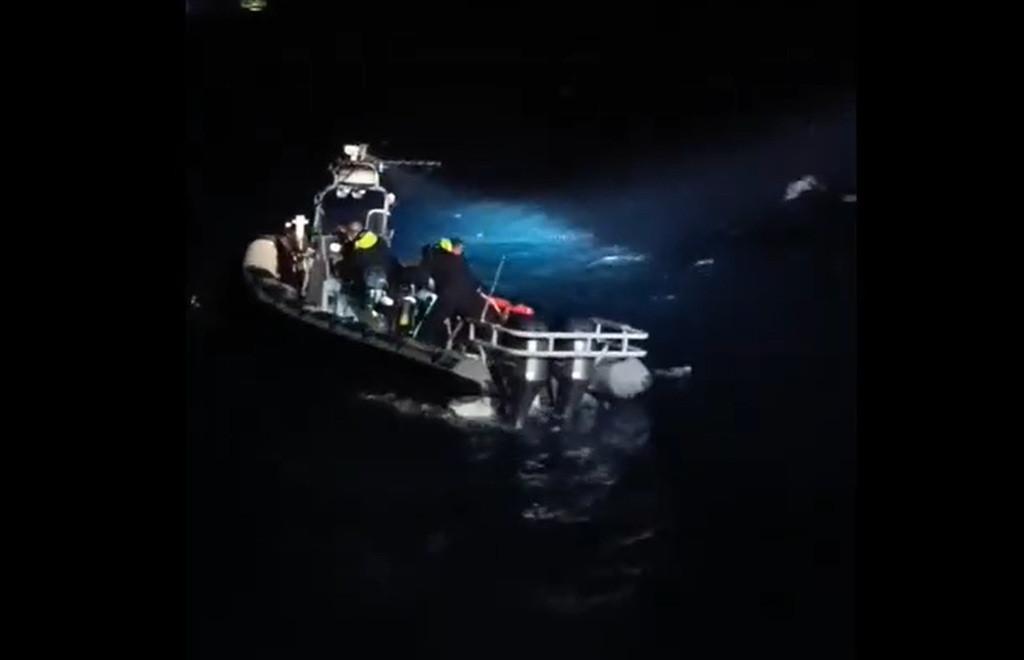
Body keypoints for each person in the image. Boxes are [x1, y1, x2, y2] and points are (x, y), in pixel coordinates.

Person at [416, 237, 488, 345]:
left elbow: (469, 277)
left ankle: (429, 341)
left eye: (461, 248)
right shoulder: (445, 258)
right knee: (439, 318)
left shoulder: (456, 260)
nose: (460, 250)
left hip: (457, 296)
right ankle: (426, 341)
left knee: (439, 319)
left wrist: (480, 287)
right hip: (455, 295)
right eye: (459, 247)